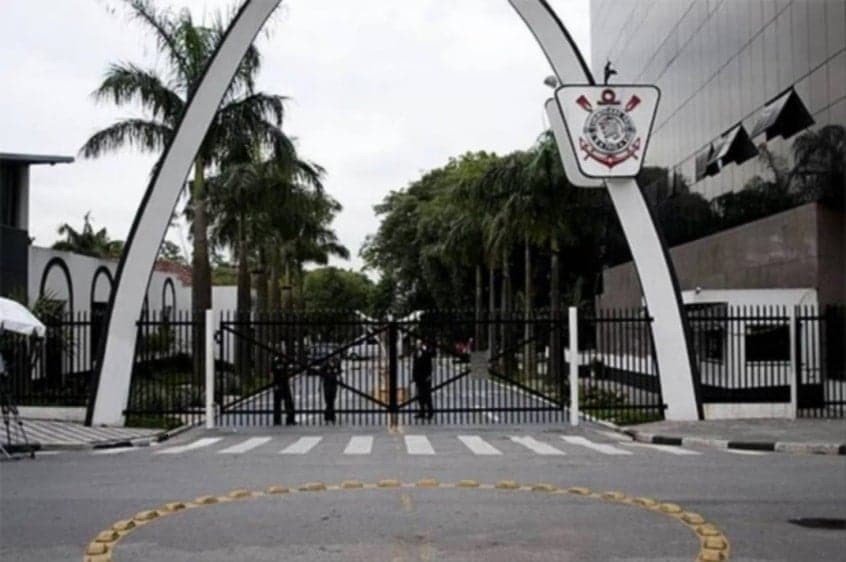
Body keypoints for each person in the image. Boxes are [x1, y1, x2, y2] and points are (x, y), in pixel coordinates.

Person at [271, 351, 296, 426]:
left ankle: (290, 419)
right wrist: (274, 384)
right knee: (277, 403)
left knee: (288, 402)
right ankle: (277, 420)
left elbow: (289, 370)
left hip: (285, 384)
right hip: (278, 383)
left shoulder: (285, 361)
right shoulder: (275, 361)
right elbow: (272, 373)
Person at [412, 341, 435, 420]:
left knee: (427, 395)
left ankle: (430, 412)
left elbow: (429, 365)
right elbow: (414, 366)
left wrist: (429, 375)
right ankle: (422, 412)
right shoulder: (415, 353)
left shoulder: (426, 353)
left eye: (419, 344)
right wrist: (414, 377)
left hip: (426, 377)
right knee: (420, 396)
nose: (417, 345)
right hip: (418, 378)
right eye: (417, 344)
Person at [321, 356, 341, 423]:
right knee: (327, 398)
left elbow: (339, 371)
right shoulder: (325, 363)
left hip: (334, 383)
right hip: (327, 383)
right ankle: (330, 415)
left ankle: (329, 414)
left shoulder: (337, 363)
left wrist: (337, 371)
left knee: (332, 398)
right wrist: (326, 372)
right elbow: (321, 372)